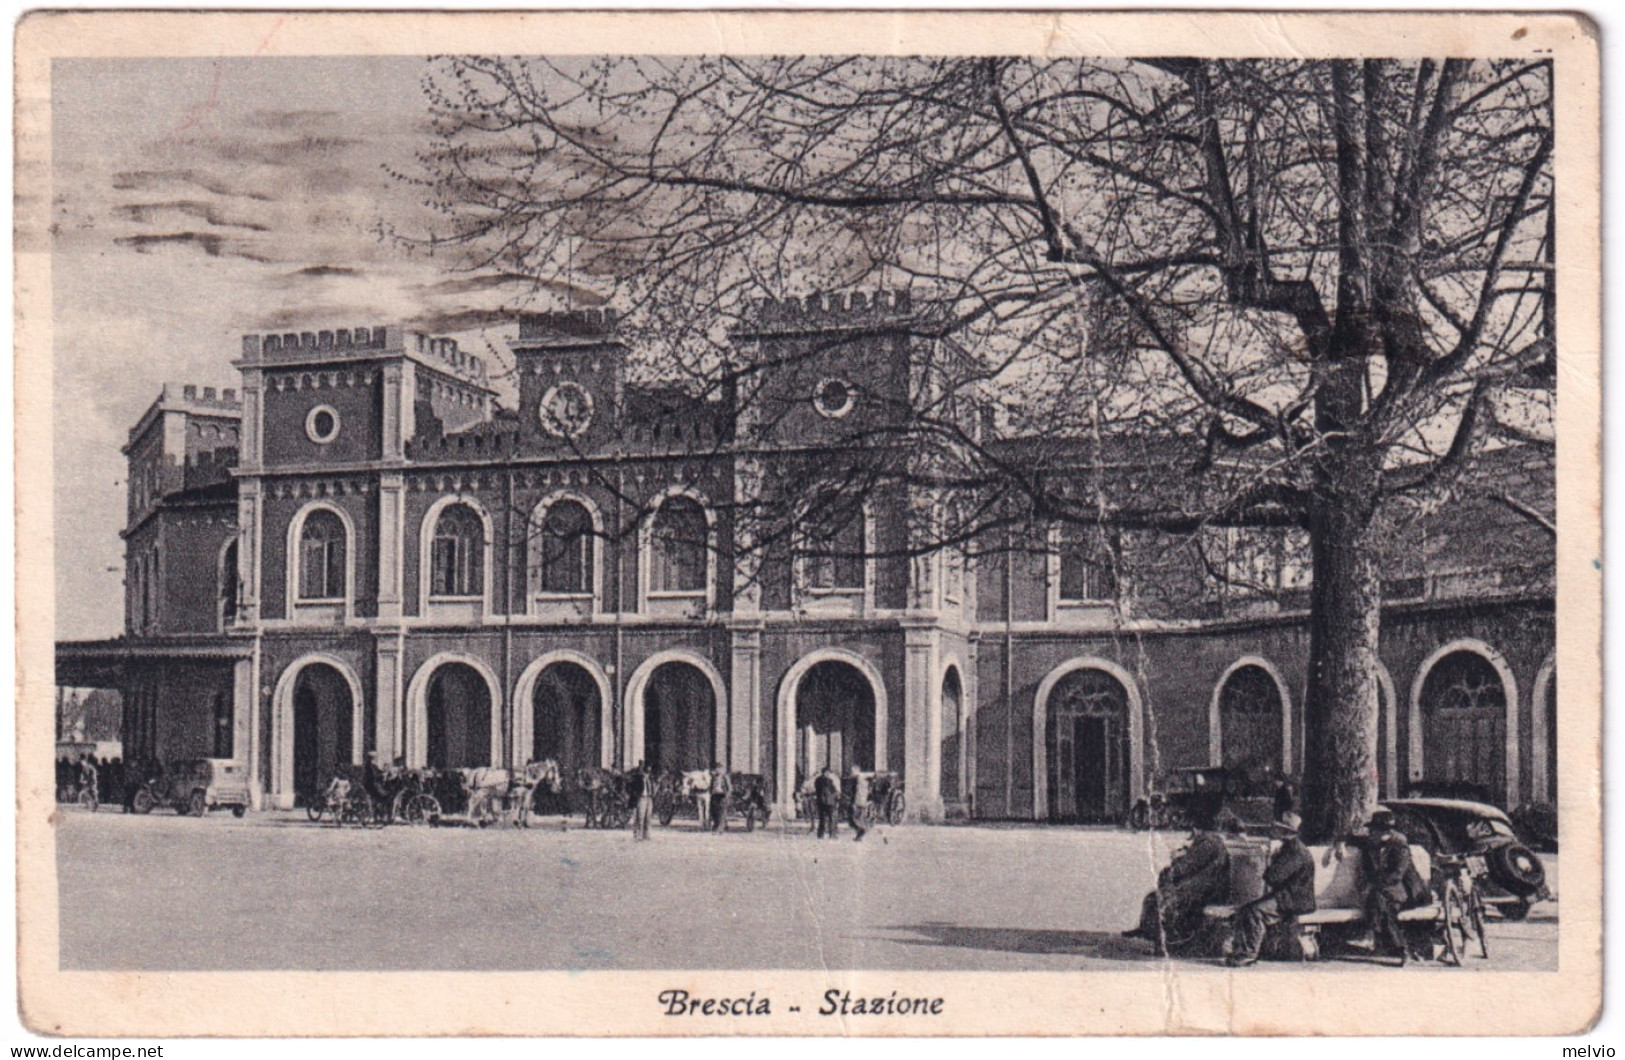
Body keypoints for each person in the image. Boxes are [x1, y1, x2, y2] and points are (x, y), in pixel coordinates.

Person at [1123, 809, 1231, 953]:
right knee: (1153, 897)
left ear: (1196, 828)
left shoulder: (1207, 843)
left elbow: (1183, 868)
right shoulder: (1208, 841)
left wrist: (1176, 857)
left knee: (1162, 900)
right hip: (1201, 886)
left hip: (1205, 890)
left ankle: (1165, 943)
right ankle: (1147, 931)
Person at [1337, 809, 1424, 965]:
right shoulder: (1372, 841)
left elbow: (1397, 874)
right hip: (1383, 892)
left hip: (1403, 890)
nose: (1370, 833)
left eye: (1373, 830)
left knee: (1383, 904)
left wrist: (1374, 884)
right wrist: (1340, 843)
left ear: (1385, 833)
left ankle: (1375, 937)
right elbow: (1350, 837)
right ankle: (1402, 950)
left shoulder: (1400, 844)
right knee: (1381, 904)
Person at [1228, 811, 1316, 967]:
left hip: (1293, 900)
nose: (1275, 830)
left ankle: (1248, 954)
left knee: (1253, 911)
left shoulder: (1294, 851)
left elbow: (1272, 877)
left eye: (1278, 828)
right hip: (1288, 897)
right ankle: (1244, 950)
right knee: (1247, 909)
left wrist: (1269, 858)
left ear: (1286, 831)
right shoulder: (1291, 848)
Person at [814, 764, 841, 839]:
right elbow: (833, 791)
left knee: (822, 819)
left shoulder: (817, 780)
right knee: (831, 818)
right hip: (829, 802)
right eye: (828, 773)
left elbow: (817, 790)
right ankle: (832, 834)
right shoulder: (829, 780)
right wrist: (836, 795)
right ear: (825, 772)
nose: (829, 774)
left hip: (820, 802)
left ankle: (820, 834)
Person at [628, 761, 653, 840]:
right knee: (640, 817)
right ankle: (638, 834)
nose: (647, 774)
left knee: (648, 817)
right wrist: (636, 795)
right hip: (641, 798)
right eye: (646, 772)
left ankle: (646, 834)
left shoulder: (649, 780)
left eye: (648, 772)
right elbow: (632, 789)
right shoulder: (638, 779)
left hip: (649, 798)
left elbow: (652, 789)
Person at [847, 765, 870, 841]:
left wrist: (854, 802)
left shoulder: (859, 779)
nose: (851, 773)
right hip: (862, 801)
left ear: (857, 771)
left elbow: (857, 792)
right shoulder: (862, 778)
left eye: (852, 771)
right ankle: (859, 835)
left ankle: (861, 831)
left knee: (854, 819)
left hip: (858, 802)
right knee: (858, 818)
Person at [708, 762, 730, 833]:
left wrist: (727, 796)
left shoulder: (725, 777)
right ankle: (716, 826)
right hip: (714, 795)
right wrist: (710, 792)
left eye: (719, 769)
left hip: (722, 795)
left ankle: (720, 828)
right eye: (716, 768)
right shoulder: (713, 777)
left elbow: (729, 788)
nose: (717, 770)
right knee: (714, 812)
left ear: (722, 769)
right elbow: (711, 786)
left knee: (721, 812)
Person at [691, 765, 712, 831]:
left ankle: (706, 824)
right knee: (702, 809)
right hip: (701, 793)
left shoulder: (703, 774)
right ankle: (702, 824)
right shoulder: (699, 774)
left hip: (704, 793)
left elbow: (708, 783)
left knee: (705, 809)